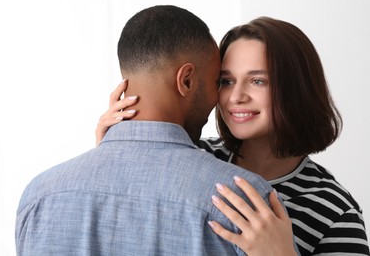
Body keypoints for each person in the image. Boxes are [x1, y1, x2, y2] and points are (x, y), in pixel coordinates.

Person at [15, 6, 297, 255]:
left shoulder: (38, 195)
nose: (229, 98)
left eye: (258, 81)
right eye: (219, 81)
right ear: (186, 80)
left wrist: (110, 152)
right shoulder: (245, 203)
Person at [96, 17, 369, 255]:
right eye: (226, 81)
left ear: (297, 89)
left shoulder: (334, 210)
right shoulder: (190, 155)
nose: (236, 97)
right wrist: (112, 148)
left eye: (257, 81)